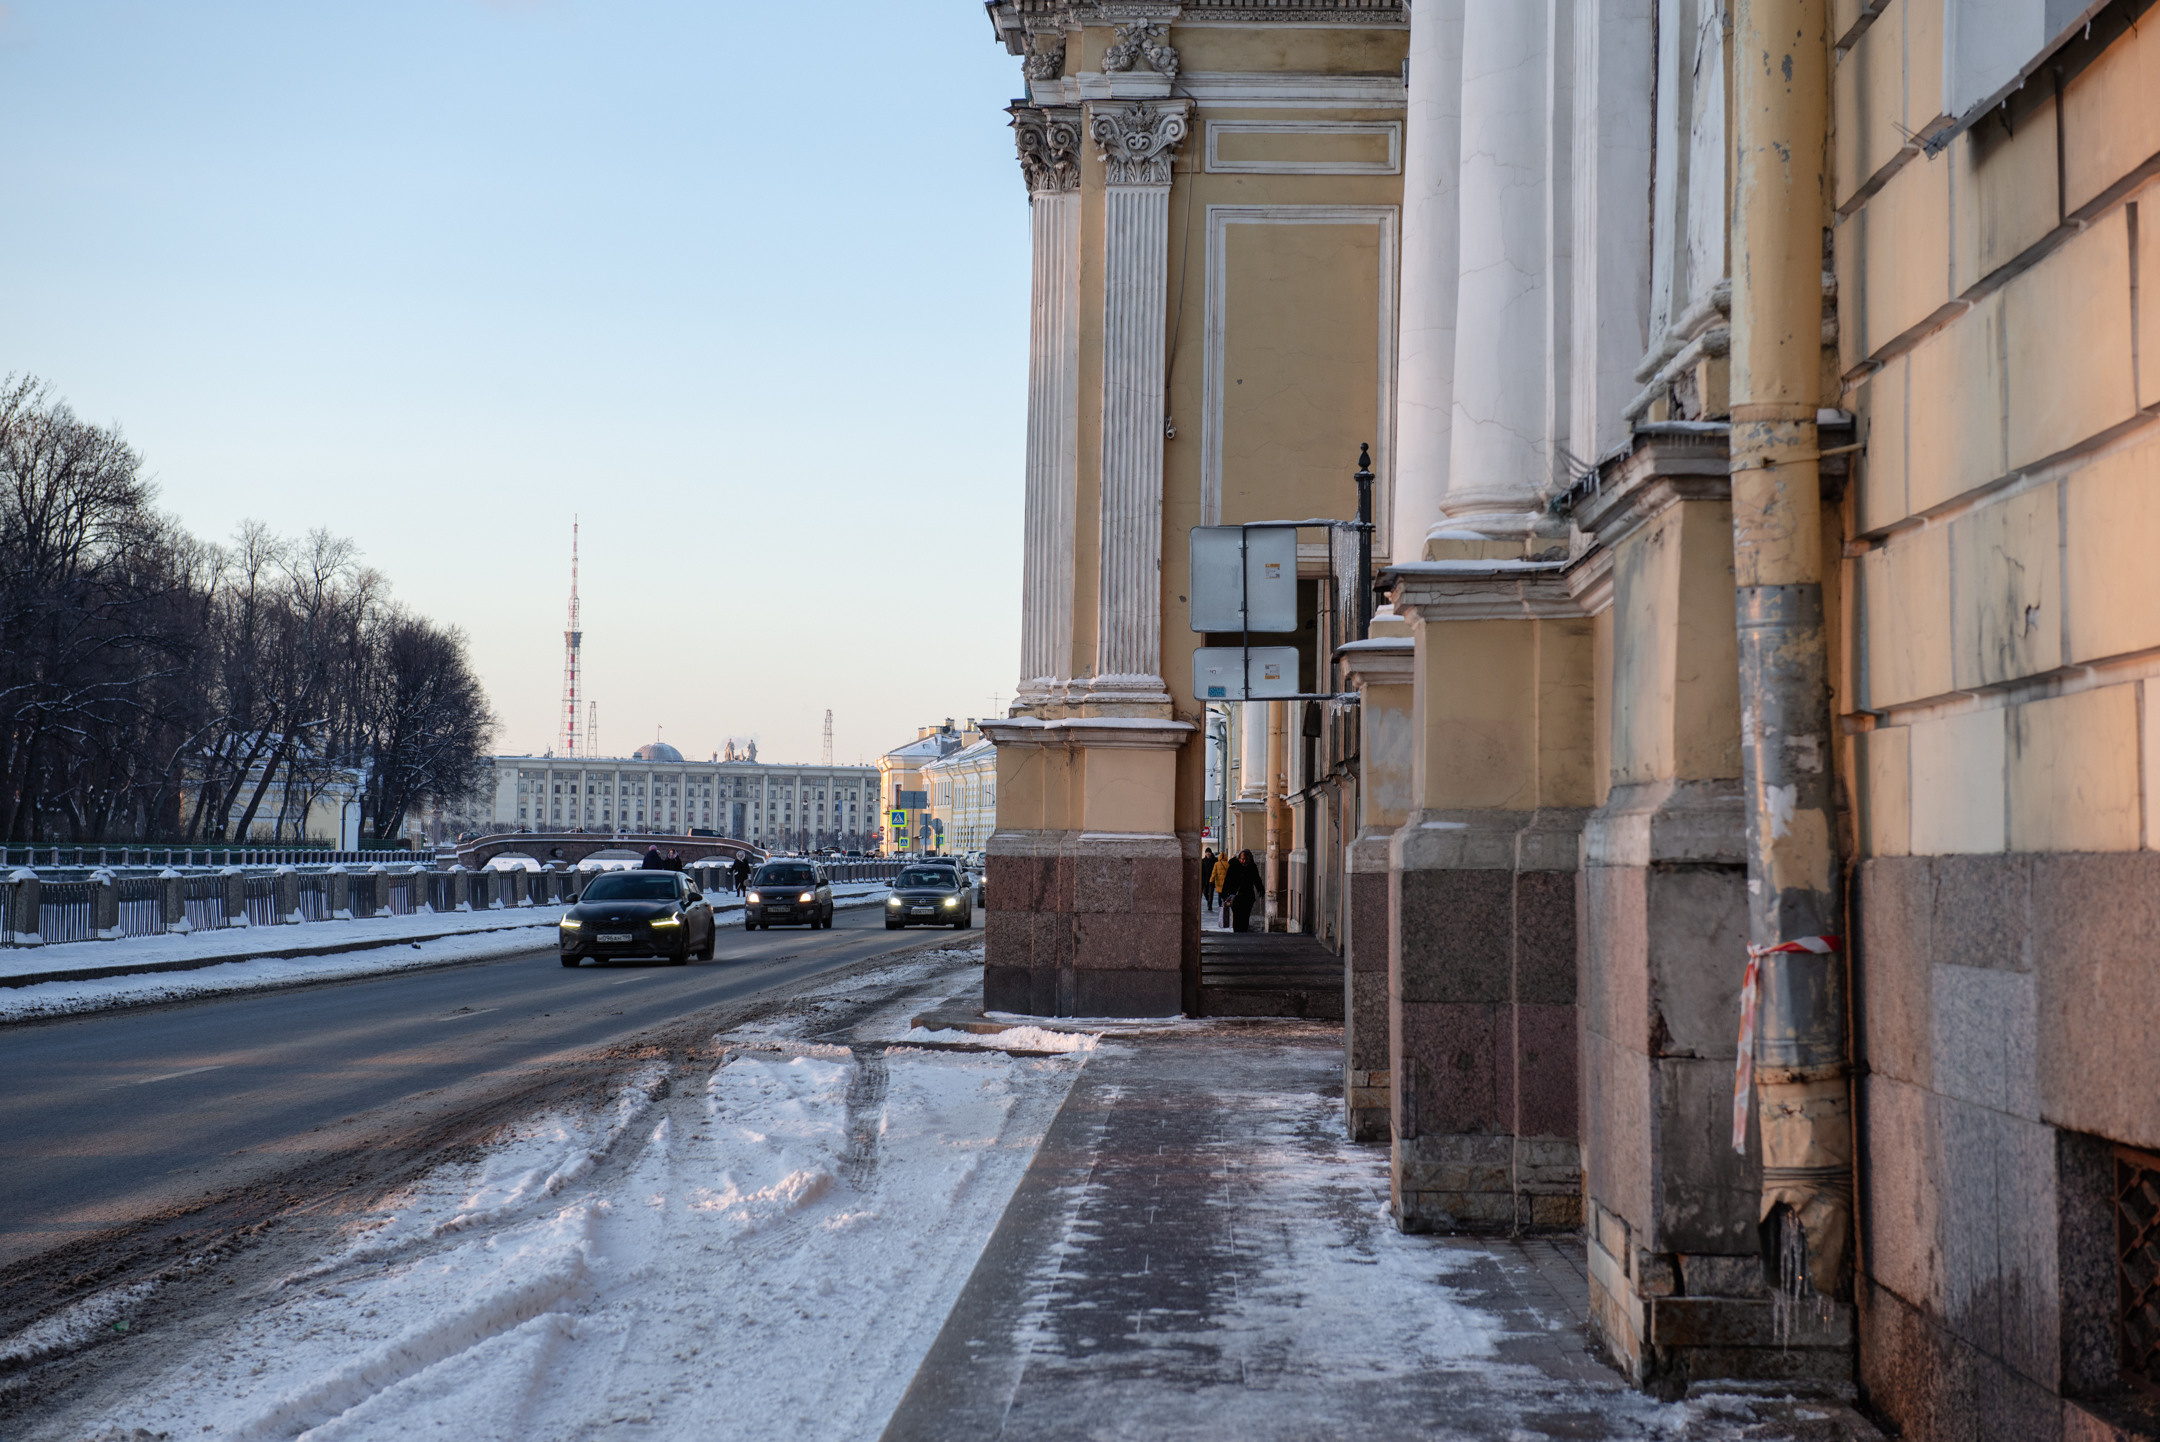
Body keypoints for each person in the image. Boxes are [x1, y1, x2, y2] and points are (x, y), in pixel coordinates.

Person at [1225, 849, 1262, 933]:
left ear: (1250, 859)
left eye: (1246, 859)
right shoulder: (1233, 866)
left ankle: (1243, 931)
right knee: (1237, 915)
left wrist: (1260, 889)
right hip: (1235, 896)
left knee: (1245, 915)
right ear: (1239, 859)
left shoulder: (1252, 867)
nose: (1244, 861)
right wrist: (1224, 893)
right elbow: (1227, 880)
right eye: (1242, 859)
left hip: (1247, 895)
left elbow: (1257, 879)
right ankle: (1237, 931)